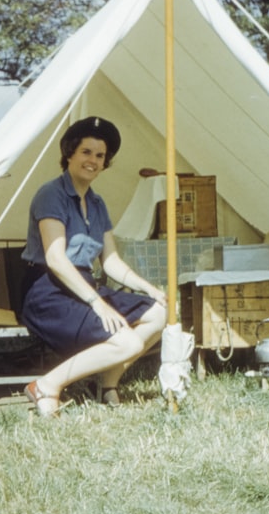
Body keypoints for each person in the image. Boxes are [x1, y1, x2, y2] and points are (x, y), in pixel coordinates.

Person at [20, 116, 167, 417]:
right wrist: (97, 303)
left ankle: (107, 383)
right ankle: (46, 385)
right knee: (126, 342)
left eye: (100, 156)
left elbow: (110, 261)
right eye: (86, 152)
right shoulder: (52, 194)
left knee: (158, 313)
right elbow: (56, 259)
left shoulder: (98, 204)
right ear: (70, 154)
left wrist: (150, 288)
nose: (93, 161)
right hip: (47, 290)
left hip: (84, 286)